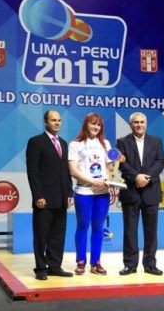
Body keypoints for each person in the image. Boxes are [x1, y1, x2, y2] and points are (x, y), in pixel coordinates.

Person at [25, 110, 74, 281]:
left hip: (61, 198)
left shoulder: (64, 143)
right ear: (45, 122)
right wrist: (38, 195)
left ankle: (55, 266)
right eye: (53, 120)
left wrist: (69, 192)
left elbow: (66, 172)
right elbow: (33, 172)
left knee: (58, 235)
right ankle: (40, 268)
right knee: (41, 235)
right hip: (44, 198)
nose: (57, 123)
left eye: (59, 120)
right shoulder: (36, 142)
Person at [115, 112, 164, 276]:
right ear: (131, 125)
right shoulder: (122, 142)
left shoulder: (156, 141)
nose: (139, 125)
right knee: (130, 231)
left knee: (151, 232)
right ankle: (130, 264)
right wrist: (136, 177)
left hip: (151, 191)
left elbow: (160, 162)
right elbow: (121, 164)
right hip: (131, 192)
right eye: (136, 122)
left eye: (142, 122)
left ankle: (150, 264)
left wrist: (146, 177)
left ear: (146, 124)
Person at [68, 113, 113, 275]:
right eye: (93, 124)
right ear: (86, 124)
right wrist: (92, 181)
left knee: (98, 227)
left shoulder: (106, 144)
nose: (96, 127)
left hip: (102, 193)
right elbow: (73, 171)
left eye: (99, 124)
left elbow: (110, 167)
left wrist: (108, 178)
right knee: (83, 226)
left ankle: (96, 262)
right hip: (84, 192)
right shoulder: (75, 144)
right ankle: (81, 261)